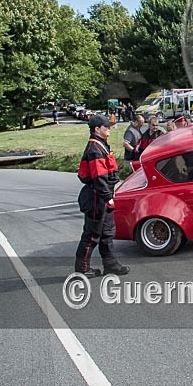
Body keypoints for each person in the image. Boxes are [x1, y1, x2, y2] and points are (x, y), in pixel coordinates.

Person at [74, 114, 129, 277]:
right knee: (92, 235)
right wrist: (108, 197)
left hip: (101, 195)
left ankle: (111, 265)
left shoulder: (100, 145)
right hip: (96, 197)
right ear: (97, 129)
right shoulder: (94, 149)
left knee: (107, 233)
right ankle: (82, 269)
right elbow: (99, 177)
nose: (109, 130)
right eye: (106, 127)